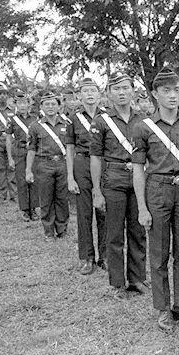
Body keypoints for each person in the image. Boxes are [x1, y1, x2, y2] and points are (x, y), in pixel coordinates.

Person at [132, 68, 179, 333]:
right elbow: (138, 168)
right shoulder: (143, 127)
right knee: (158, 252)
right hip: (157, 190)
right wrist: (142, 207)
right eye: (166, 91)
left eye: (177, 90)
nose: (172, 96)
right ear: (155, 95)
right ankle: (162, 309)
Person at [90, 73, 148, 298]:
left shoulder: (142, 119)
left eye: (126, 87)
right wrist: (97, 190)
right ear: (109, 93)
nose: (122, 92)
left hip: (138, 179)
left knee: (138, 231)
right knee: (114, 234)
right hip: (113, 179)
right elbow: (95, 157)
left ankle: (137, 279)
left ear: (133, 90)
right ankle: (117, 283)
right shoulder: (101, 121)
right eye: (116, 89)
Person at [66, 78, 107, 275]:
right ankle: (87, 258)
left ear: (99, 94)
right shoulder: (73, 119)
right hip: (82, 165)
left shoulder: (107, 116)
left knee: (104, 211)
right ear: (79, 96)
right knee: (84, 213)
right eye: (85, 91)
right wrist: (70, 177)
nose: (90, 94)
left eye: (93, 90)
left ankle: (105, 256)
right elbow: (70, 148)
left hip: (103, 164)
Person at [25, 91, 70, 240]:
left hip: (62, 164)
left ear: (59, 106)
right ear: (41, 107)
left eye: (53, 104)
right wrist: (28, 171)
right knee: (46, 199)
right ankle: (49, 231)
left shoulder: (66, 124)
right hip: (44, 164)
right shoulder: (35, 127)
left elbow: (71, 148)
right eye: (46, 104)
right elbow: (31, 150)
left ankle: (62, 229)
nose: (50, 107)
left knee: (62, 198)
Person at [7, 91, 40, 222]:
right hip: (19, 152)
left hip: (33, 152)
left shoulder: (35, 118)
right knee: (21, 181)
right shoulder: (12, 120)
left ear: (29, 104)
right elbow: (8, 139)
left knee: (33, 180)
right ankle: (24, 210)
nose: (22, 106)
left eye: (24, 103)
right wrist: (10, 158)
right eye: (19, 103)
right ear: (16, 105)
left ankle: (33, 208)